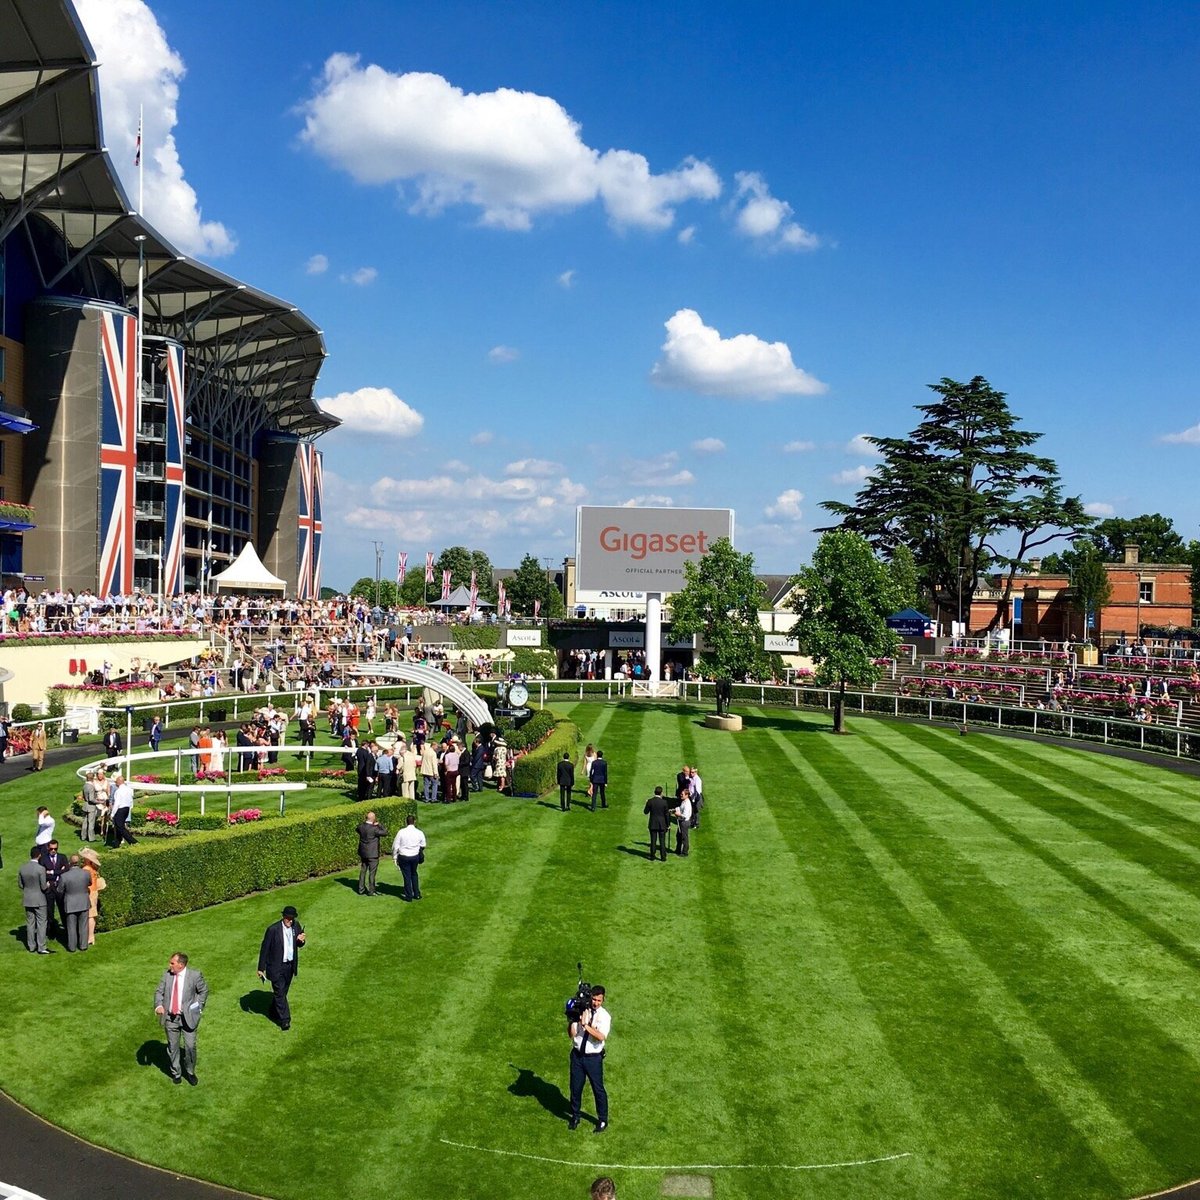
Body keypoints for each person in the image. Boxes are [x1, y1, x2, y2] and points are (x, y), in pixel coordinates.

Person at [154, 952, 208, 1085]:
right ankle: (176, 1073)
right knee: (173, 1047)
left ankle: (190, 1072)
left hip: (188, 1018)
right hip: (170, 1019)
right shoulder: (167, 975)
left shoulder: (194, 976)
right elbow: (159, 992)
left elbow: (203, 991)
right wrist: (159, 1006)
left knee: (190, 1046)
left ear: (181, 965)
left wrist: (197, 1008)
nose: (169, 965)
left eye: (172, 963)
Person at [568, 984, 610, 1133]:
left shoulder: (604, 1016)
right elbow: (571, 1035)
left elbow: (600, 1037)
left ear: (603, 1000)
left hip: (593, 1059)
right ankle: (575, 1115)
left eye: (599, 1000)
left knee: (598, 1089)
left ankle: (603, 1119)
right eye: (594, 999)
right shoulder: (581, 1010)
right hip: (577, 1056)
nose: (595, 1003)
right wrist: (573, 1020)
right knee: (575, 1087)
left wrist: (585, 1025)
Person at [257, 905, 306, 1030]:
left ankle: (273, 1011)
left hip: (289, 966)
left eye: (292, 919)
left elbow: (299, 944)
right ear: (283, 917)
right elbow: (265, 949)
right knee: (279, 993)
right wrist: (261, 968)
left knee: (282, 992)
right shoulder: (273, 930)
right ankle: (285, 1020)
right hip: (276, 967)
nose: (290, 921)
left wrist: (301, 941)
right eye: (288, 918)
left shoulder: (296, 926)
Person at [18, 847, 49, 954]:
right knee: (41, 923)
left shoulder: (23, 868)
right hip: (40, 899)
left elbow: (20, 885)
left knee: (30, 923)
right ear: (39, 855)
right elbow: (44, 887)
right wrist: (48, 885)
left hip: (28, 899)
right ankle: (41, 947)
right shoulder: (41, 869)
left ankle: (31, 946)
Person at [58, 855, 91, 952]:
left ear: (70, 863)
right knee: (83, 925)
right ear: (79, 862)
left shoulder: (64, 876)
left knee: (71, 926)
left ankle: (72, 947)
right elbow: (90, 883)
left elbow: (60, 890)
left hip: (70, 903)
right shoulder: (86, 873)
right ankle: (83, 945)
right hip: (83, 902)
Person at [38, 839, 69, 936]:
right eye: (51, 849)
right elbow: (43, 873)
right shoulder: (43, 859)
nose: (53, 850)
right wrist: (59, 871)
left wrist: (51, 872)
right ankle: (51, 931)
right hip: (49, 887)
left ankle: (67, 929)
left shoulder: (62, 857)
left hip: (60, 887)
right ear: (48, 848)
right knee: (49, 910)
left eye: (55, 849)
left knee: (63, 909)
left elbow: (67, 870)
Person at [392, 814, 426, 901]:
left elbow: (395, 846)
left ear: (406, 822)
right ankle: (417, 894)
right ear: (414, 822)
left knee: (407, 875)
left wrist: (394, 857)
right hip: (415, 856)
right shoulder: (419, 832)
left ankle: (409, 896)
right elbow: (423, 845)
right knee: (414, 873)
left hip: (404, 856)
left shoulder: (401, 832)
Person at [356, 811, 390, 895]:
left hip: (363, 853)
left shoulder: (361, 826)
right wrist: (379, 824)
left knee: (363, 870)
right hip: (373, 854)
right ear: (373, 819)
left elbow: (357, 829)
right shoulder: (375, 829)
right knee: (372, 872)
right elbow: (385, 832)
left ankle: (361, 889)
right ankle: (371, 891)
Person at [80, 847, 104, 947]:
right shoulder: (93, 868)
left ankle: (90, 936)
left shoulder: (86, 869)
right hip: (94, 892)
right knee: (92, 915)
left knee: (90, 916)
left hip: (90, 893)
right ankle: (90, 936)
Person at [644, 787, 671, 862]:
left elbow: (645, 812)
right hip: (662, 824)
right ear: (661, 793)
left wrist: (647, 804)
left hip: (653, 824)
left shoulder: (650, 801)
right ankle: (663, 857)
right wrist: (668, 824)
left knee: (653, 840)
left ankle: (652, 856)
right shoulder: (664, 802)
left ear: (654, 792)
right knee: (662, 841)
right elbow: (667, 815)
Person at [110, 774, 136, 846]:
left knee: (120, 827)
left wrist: (112, 814)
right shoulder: (129, 789)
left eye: (116, 782)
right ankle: (117, 843)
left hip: (120, 810)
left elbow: (117, 804)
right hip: (126, 809)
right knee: (119, 826)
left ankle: (133, 841)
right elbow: (131, 800)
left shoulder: (118, 791)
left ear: (118, 782)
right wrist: (130, 807)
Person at [81, 771, 101, 843]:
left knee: (85, 822)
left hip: (85, 805)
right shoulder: (91, 787)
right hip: (91, 807)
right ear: (92, 778)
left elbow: (84, 796)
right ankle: (91, 838)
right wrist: (99, 802)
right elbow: (91, 799)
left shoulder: (85, 785)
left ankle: (83, 836)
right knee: (91, 823)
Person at [673, 788, 692, 858]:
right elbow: (680, 808)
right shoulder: (684, 801)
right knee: (678, 836)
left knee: (684, 838)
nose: (681, 795)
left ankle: (685, 852)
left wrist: (678, 814)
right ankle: (678, 849)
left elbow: (685, 815)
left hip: (684, 822)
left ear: (687, 795)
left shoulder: (687, 803)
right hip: (681, 822)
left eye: (682, 794)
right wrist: (675, 809)